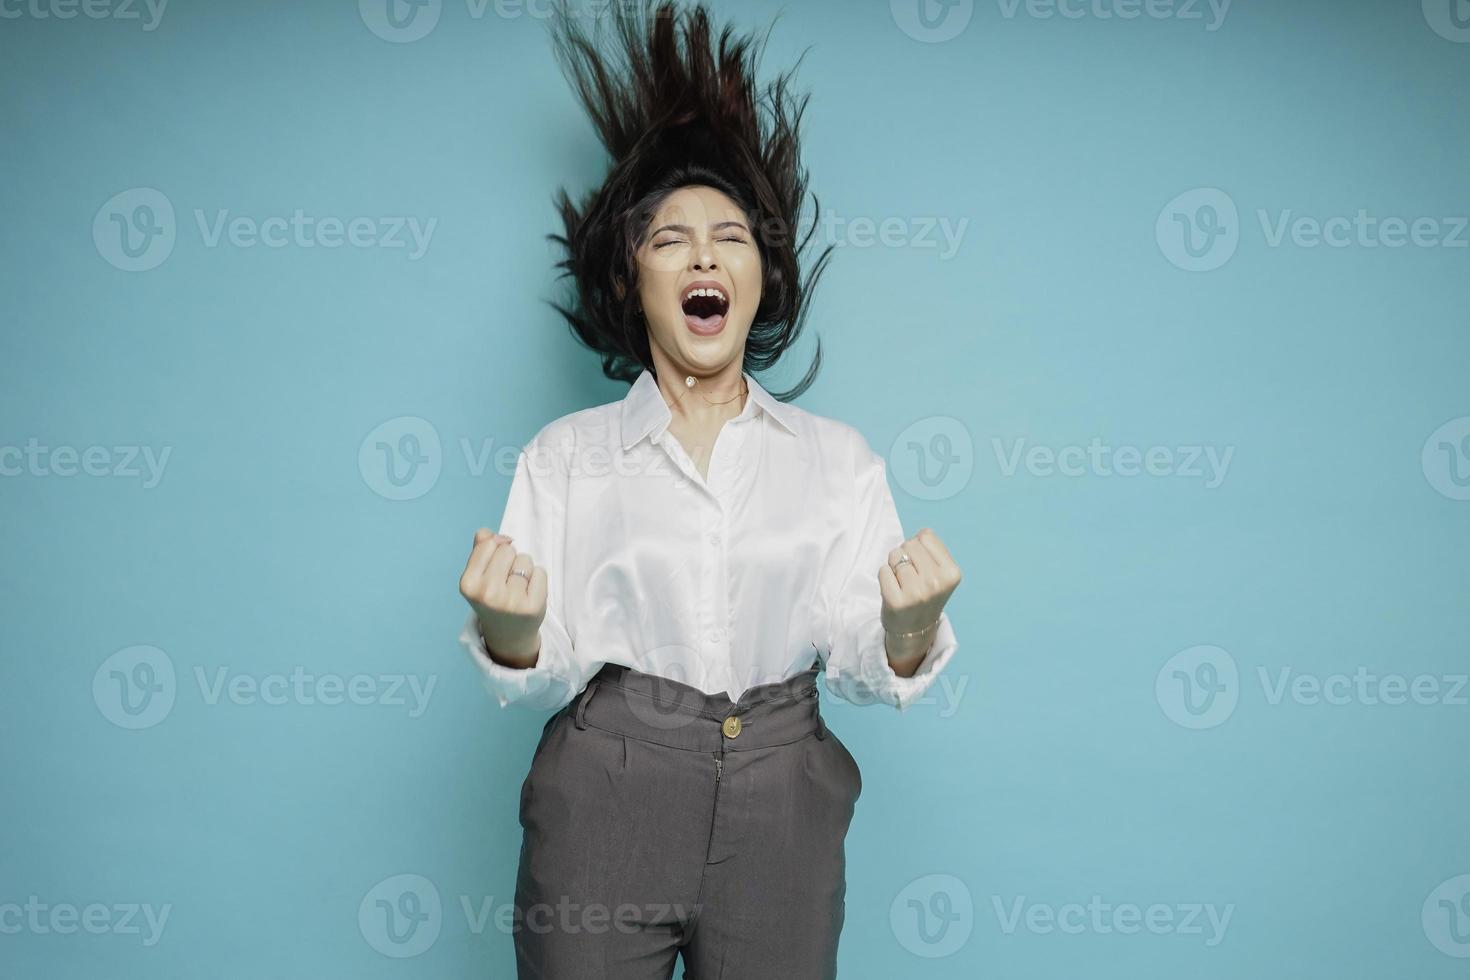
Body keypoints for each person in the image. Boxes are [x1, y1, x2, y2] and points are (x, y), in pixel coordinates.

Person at [456, 1, 963, 975]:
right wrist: (511, 630)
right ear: (629, 278)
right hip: (608, 787)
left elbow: (867, 655)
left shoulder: (837, 458)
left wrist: (908, 626)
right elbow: (545, 660)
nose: (703, 254)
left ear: (761, 277)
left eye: (729, 236)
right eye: (670, 238)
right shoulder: (564, 455)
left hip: (785, 795)